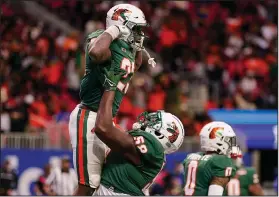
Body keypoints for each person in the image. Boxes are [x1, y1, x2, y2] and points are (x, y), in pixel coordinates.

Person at [68, 3, 155, 195]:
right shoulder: (101, 38)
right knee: (87, 184)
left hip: (105, 118)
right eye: (136, 28)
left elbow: (135, 64)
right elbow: (97, 52)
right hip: (89, 116)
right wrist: (114, 30)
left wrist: (136, 46)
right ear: (121, 24)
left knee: (101, 180)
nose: (139, 33)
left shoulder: (126, 48)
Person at [92, 67, 185, 195]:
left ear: (161, 134)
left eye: (154, 121)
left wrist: (111, 87)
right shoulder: (155, 154)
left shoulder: (151, 146)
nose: (148, 119)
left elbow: (102, 128)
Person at [183, 121, 239, 196]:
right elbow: (215, 193)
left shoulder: (191, 157)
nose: (231, 144)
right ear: (219, 141)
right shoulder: (220, 161)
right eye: (229, 140)